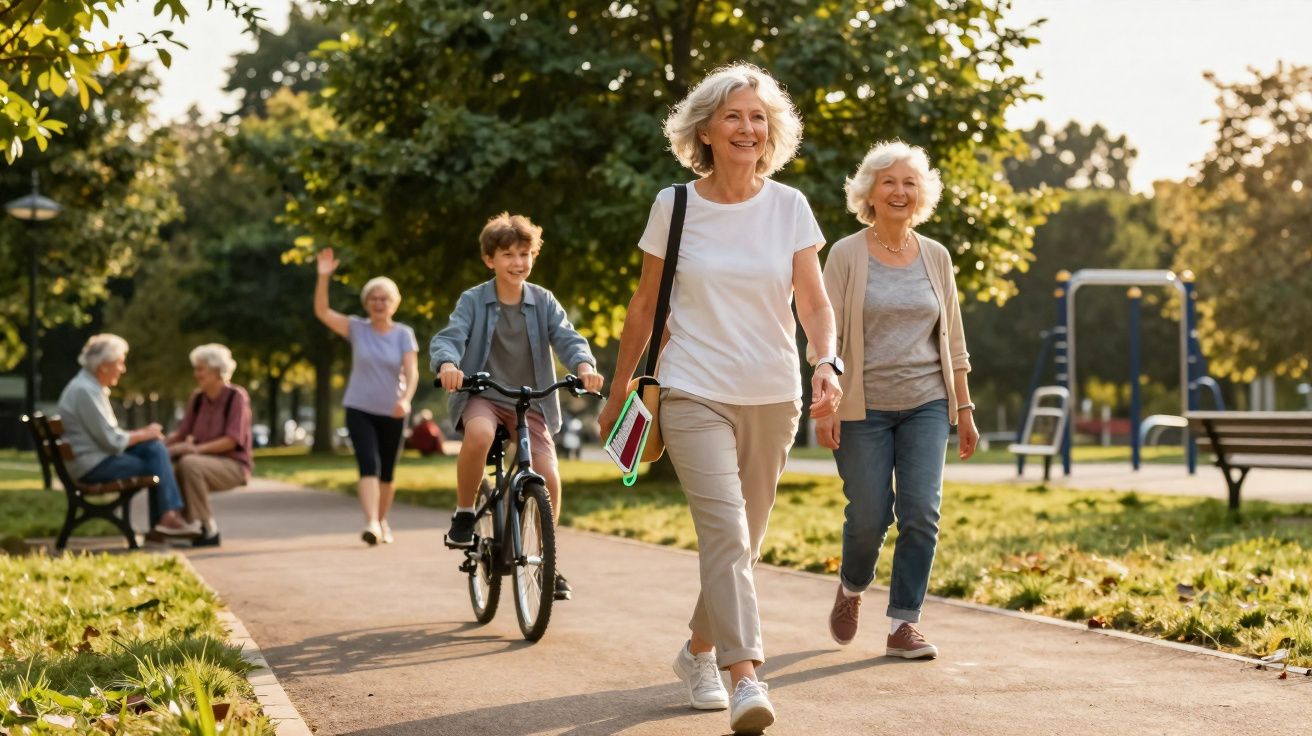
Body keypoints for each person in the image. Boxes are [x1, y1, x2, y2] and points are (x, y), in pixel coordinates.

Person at [596, 63, 841, 735]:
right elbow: (645, 304)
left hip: (773, 392)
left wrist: (828, 362)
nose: (747, 127)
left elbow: (814, 301)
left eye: (758, 117)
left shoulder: (789, 206)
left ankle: (698, 651)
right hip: (692, 388)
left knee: (745, 541)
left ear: (772, 132)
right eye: (733, 116)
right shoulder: (673, 205)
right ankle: (745, 678)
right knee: (726, 534)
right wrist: (620, 389)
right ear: (704, 129)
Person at [814, 140, 979, 660]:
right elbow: (825, 337)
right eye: (889, 181)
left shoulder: (937, 257)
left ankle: (903, 624)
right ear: (870, 192)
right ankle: (852, 586)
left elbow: (952, 335)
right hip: (862, 406)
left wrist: (965, 408)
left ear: (921, 193)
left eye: (909, 183)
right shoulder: (844, 254)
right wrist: (825, 402)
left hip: (927, 402)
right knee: (868, 515)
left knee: (921, 513)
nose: (899, 191)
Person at [431, 212, 604, 601]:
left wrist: (585, 366)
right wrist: (447, 365)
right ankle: (463, 513)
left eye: (525, 253)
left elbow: (568, 338)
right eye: (508, 254)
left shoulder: (543, 301)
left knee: (548, 473)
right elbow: (451, 337)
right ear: (490, 259)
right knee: (479, 433)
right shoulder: (473, 300)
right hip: (484, 395)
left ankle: (547, 561)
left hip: (531, 400)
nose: (518, 262)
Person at [314, 250, 420, 546]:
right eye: (373, 298)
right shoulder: (357, 329)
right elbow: (322, 312)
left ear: (393, 303)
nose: (378, 303)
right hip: (359, 407)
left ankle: (382, 519)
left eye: (384, 298)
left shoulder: (403, 334)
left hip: (394, 410)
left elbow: (411, 372)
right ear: (366, 303)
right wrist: (324, 276)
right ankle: (371, 521)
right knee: (368, 465)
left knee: (387, 471)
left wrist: (406, 399)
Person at [56, 334, 200, 539]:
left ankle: (166, 520)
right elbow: (112, 441)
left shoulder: (88, 387)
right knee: (158, 460)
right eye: (119, 363)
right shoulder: (85, 391)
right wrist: (144, 434)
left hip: (93, 459)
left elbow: (110, 436)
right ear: (104, 365)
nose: (122, 369)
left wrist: (145, 436)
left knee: (155, 449)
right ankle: (168, 518)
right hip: (92, 466)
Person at [164, 343, 254, 547]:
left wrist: (196, 449)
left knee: (189, 463)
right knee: (175, 465)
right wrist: (159, 444)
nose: (196, 374)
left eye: (200, 369)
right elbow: (182, 433)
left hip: (233, 465)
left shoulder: (236, 397)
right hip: (203, 461)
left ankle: (207, 528)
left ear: (216, 371)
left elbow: (232, 440)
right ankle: (179, 523)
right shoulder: (197, 398)